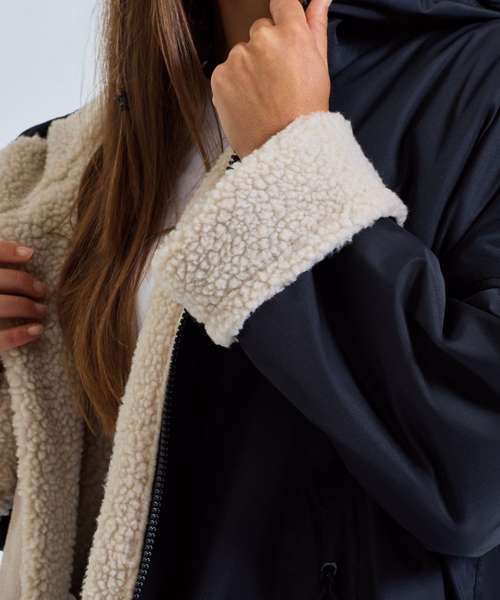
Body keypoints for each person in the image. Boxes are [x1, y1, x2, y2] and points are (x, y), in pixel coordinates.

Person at [0, 0, 499, 598]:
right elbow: (58, 503)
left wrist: (292, 159)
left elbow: (478, 482)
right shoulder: (74, 156)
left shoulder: (480, 82)